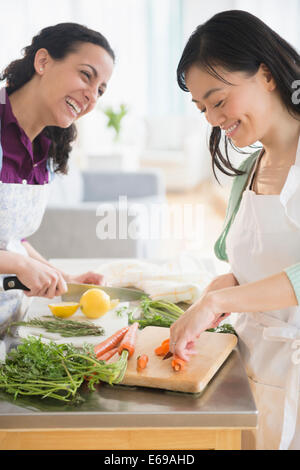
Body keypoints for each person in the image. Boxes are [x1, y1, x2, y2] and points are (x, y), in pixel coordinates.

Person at [170, 10, 300, 450]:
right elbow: (251, 272)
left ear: (265, 74)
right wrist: (214, 294)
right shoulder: (248, 170)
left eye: (218, 100)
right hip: (253, 375)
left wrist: (219, 300)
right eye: (202, 107)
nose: (211, 118)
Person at [0, 23, 115, 334]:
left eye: (100, 90)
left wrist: (61, 277)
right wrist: (21, 266)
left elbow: (11, 239)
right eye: (86, 76)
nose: (92, 97)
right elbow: (14, 258)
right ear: (43, 62)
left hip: (9, 320)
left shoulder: (45, 148)